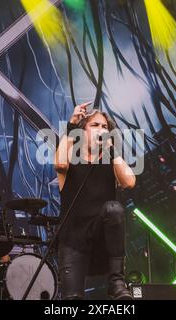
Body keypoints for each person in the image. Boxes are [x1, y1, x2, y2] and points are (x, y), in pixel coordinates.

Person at [54, 102, 136, 300]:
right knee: (71, 300)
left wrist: (112, 151)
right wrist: (72, 125)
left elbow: (129, 182)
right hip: (73, 241)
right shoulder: (71, 158)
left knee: (114, 209)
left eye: (105, 126)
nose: (102, 129)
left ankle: (116, 282)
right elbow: (60, 163)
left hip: (101, 240)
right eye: (95, 125)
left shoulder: (110, 159)